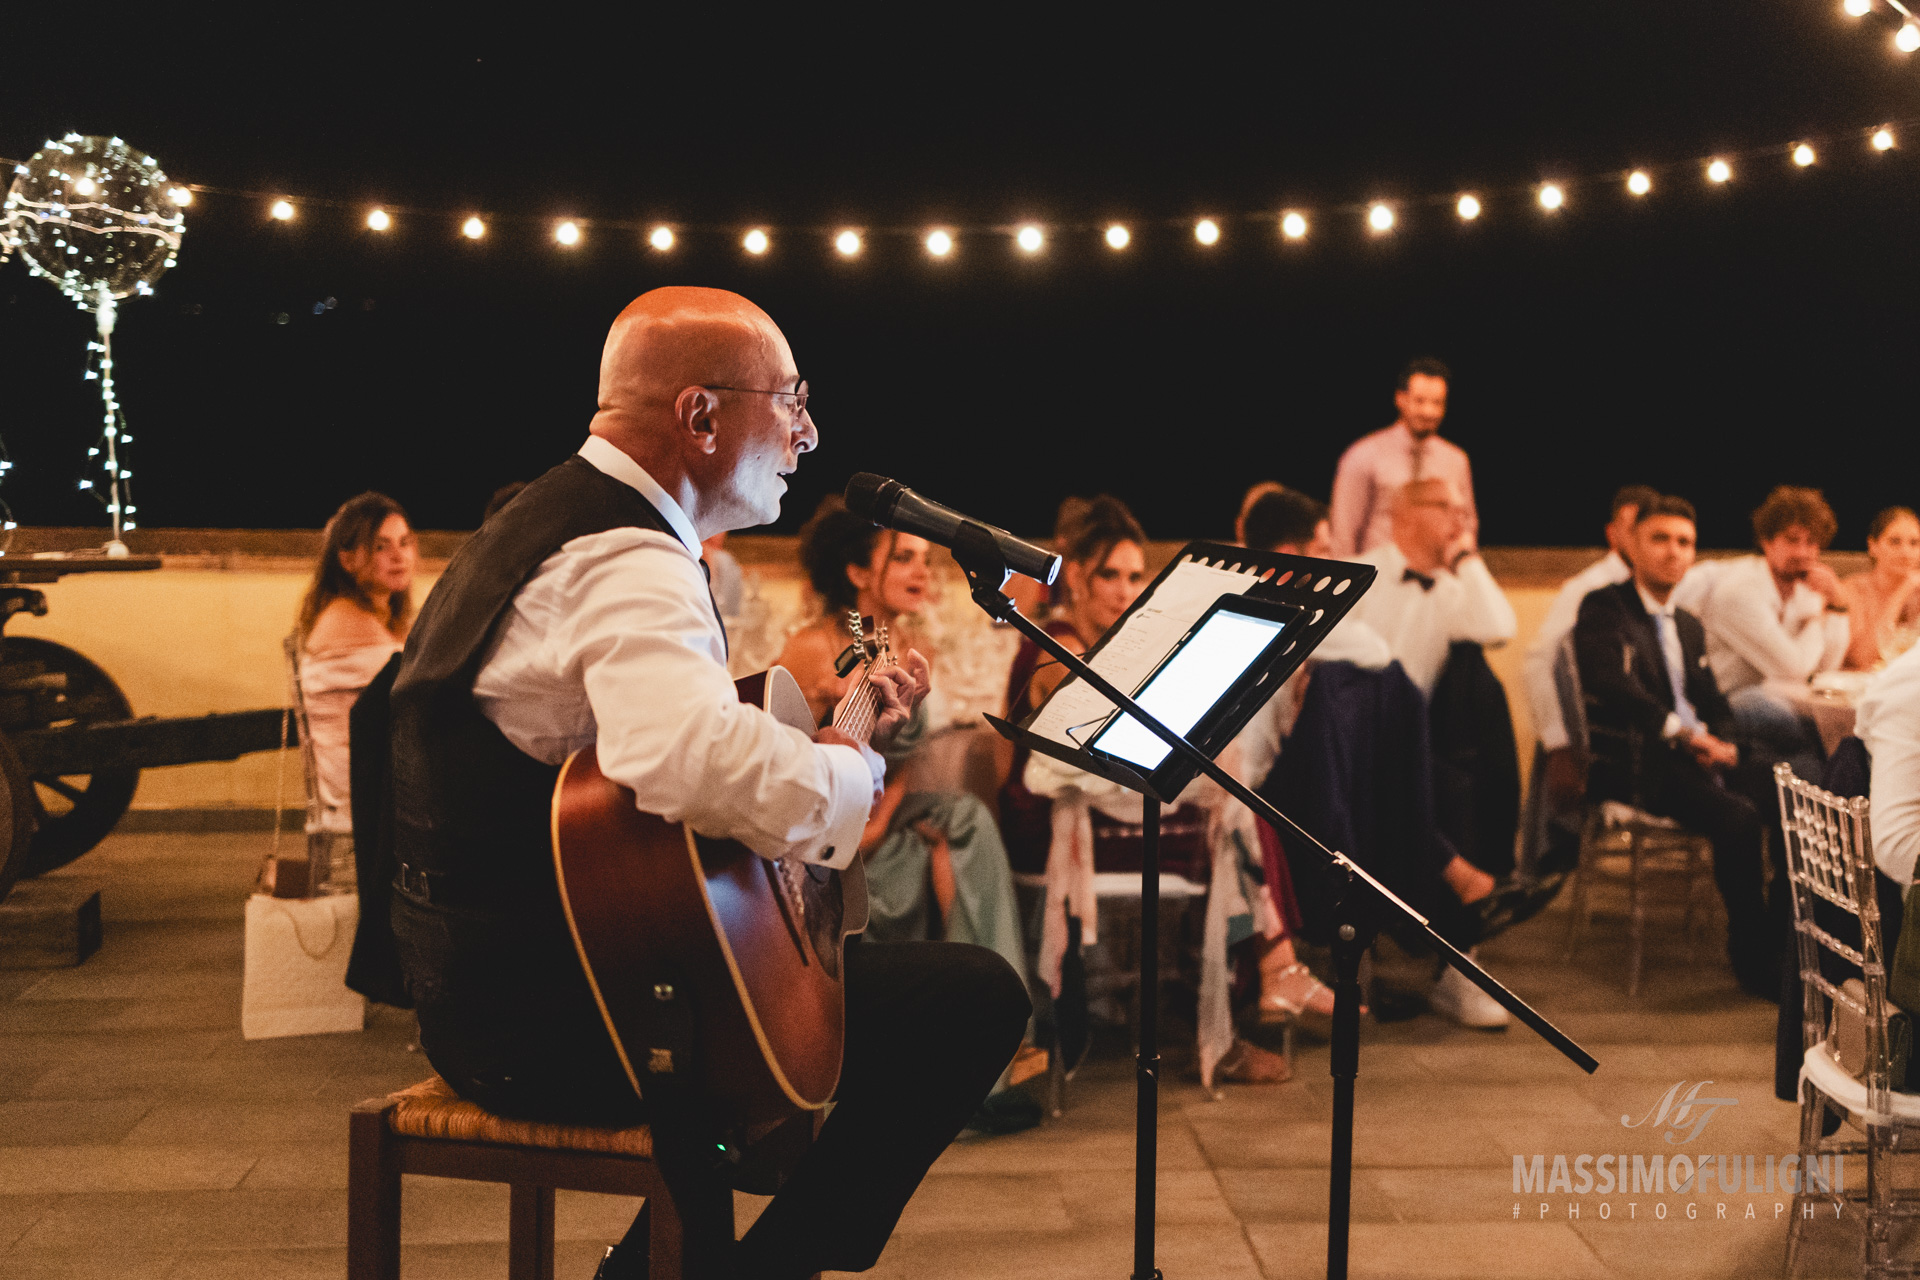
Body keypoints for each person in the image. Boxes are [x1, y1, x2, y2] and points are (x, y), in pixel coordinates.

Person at [383, 287, 1029, 1280]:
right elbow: (685, 758)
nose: (808, 433)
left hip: (492, 986)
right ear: (699, 415)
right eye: (791, 400)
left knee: (819, 1008)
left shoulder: (550, 524)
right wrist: (849, 762)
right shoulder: (627, 555)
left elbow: (650, 751)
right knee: (972, 1000)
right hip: (556, 1020)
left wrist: (836, 730)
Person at [999, 495, 1288, 1084]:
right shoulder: (1054, 645)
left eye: (1135, 577)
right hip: (1051, 821)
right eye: (1109, 574)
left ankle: (1251, 983)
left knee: (1233, 806)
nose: (1124, 591)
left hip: (1108, 808)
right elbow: (1093, 759)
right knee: (1229, 817)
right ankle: (1256, 984)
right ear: (1075, 575)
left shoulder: (1121, 645)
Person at [778, 497, 1039, 1130]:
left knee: (964, 822)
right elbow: (785, 753)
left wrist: (889, 814)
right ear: (858, 573)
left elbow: (904, 763)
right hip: (825, 827)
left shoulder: (911, 645)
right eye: (904, 557)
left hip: (882, 808)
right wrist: (866, 828)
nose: (923, 570)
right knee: (956, 834)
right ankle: (987, 1057)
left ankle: (989, 1055)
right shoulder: (812, 649)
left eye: (926, 557)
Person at [1573, 495, 1775, 995]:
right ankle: (1752, 958)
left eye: (1684, 542)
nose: (1673, 552)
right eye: (1659, 539)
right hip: (1638, 763)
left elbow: (1713, 700)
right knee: (1740, 819)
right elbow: (1612, 685)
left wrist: (1724, 743)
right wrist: (1683, 734)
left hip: (1695, 757)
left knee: (1787, 791)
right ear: (1631, 545)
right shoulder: (1604, 607)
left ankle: (1786, 939)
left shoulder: (1686, 622)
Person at [1232, 485, 1391, 1029]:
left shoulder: (1260, 606)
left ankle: (1281, 970)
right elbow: (1377, 651)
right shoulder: (1281, 611)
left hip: (1251, 778)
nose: (1333, 561)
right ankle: (1284, 968)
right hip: (1243, 782)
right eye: (1323, 548)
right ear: (1294, 553)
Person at [1681, 485, 1849, 784]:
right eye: (1792, 540)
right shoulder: (1740, 589)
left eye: (1811, 543)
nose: (1802, 553)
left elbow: (1826, 667)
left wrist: (1837, 606)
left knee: (1824, 751)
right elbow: (1794, 668)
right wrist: (1819, 617)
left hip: (1767, 696)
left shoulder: (1801, 589)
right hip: (1719, 703)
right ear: (1766, 541)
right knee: (1819, 734)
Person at [1521, 486, 1661, 801]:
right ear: (1613, 535)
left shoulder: (1667, 588)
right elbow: (1540, 664)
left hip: (1649, 740)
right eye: (1632, 529)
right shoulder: (1586, 589)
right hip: (1596, 746)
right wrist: (1559, 744)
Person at [294, 491, 417, 847]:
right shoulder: (348, 620)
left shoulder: (382, 620)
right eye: (380, 547)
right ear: (347, 560)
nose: (398, 556)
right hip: (357, 789)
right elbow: (423, 687)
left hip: (374, 773)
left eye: (404, 542)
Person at [1346, 477, 1516, 697]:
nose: (1459, 519)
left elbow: (1499, 631)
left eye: (1462, 511)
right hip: (1348, 716)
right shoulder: (1357, 574)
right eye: (1445, 507)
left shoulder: (1451, 591)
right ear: (1405, 516)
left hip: (1413, 722)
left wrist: (1466, 559)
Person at [1327, 357, 1476, 557]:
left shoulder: (1455, 460)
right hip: (1378, 578)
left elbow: (1466, 525)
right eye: (1420, 401)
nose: (1428, 411)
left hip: (1437, 581)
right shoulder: (1364, 456)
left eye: (1437, 403)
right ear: (1401, 399)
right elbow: (1344, 531)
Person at [1843, 506, 1920, 671]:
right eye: (1895, 542)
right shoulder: (1853, 589)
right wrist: (1903, 591)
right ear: (1873, 546)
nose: (1906, 552)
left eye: (1914, 543)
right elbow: (1862, 660)